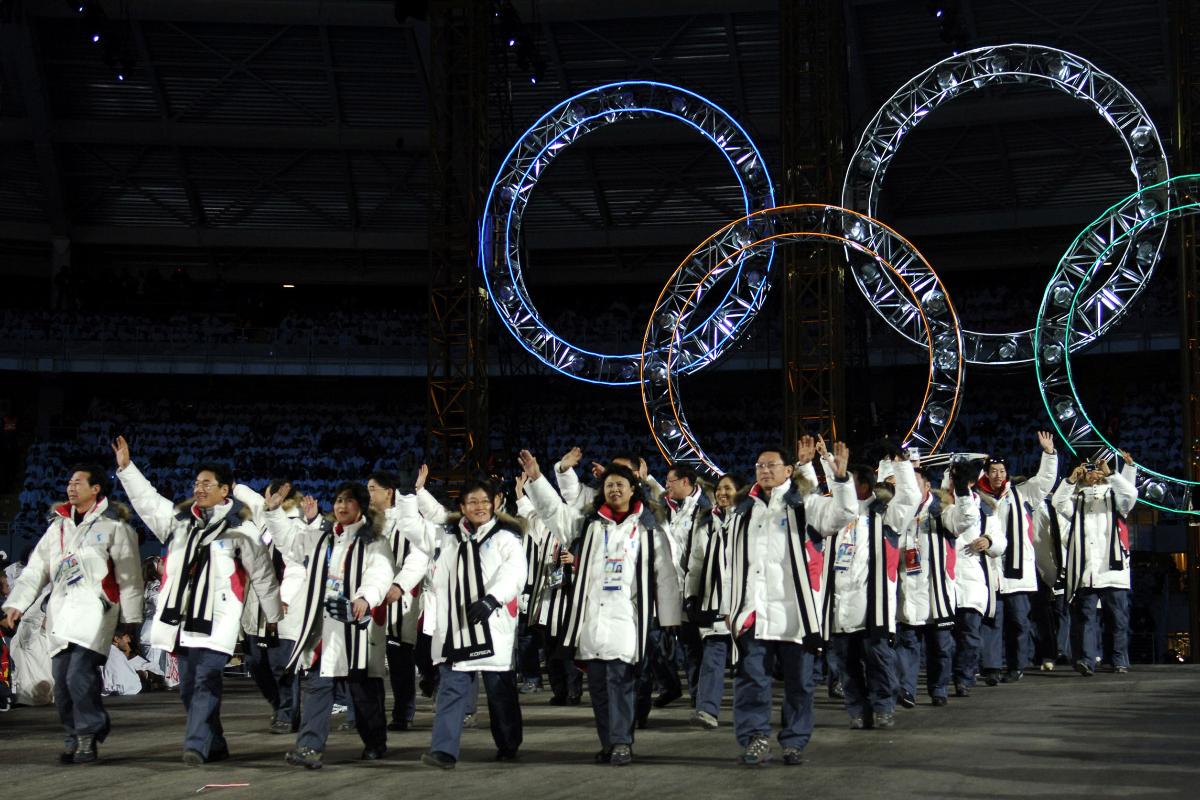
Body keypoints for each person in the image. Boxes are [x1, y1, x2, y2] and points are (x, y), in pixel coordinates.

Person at [112, 436, 282, 766]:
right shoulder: (179, 522)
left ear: (225, 491)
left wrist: (273, 613)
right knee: (189, 689)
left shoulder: (241, 530)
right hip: (182, 622)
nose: (199, 488)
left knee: (205, 682)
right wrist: (127, 468)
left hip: (218, 622)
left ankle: (196, 744)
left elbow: (261, 573)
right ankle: (215, 742)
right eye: (196, 482)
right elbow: (148, 502)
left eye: (207, 483)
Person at [520, 450, 681, 767]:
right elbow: (554, 512)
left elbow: (665, 576)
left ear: (633, 488)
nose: (615, 489)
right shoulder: (588, 525)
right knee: (598, 690)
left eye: (621, 484)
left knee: (620, 683)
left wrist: (669, 622)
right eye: (609, 485)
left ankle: (622, 742)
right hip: (591, 621)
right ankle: (610, 743)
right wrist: (537, 478)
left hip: (627, 619)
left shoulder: (648, 530)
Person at [722, 437, 856, 767]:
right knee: (750, 680)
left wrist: (840, 480)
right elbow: (730, 564)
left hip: (797, 615)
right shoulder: (743, 511)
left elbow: (842, 515)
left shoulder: (804, 504)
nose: (765, 471)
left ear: (787, 470)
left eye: (772, 465)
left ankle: (794, 740)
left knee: (799, 683)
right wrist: (731, 608)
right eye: (760, 466)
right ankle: (755, 737)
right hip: (754, 612)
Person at [1, 464, 142, 764]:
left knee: (79, 674)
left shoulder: (114, 528)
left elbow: (130, 577)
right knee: (61, 684)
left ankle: (88, 736)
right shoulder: (58, 527)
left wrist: (130, 622)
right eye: (69, 481)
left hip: (97, 614)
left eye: (78, 482)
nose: (70, 486)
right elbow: (36, 569)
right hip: (62, 615)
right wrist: (15, 604)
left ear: (96, 489)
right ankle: (76, 735)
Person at [392, 475, 526, 769]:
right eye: (472, 501)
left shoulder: (506, 538)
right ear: (462, 507)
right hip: (456, 628)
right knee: (452, 689)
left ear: (494, 504)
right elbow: (412, 527)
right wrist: (405, 494)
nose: (479, 506)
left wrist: (493, 599)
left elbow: (515, 573)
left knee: (499, 692)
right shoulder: (446, 537)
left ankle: (508, 743)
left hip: (493, 626)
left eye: (484, 501)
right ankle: (444, 751)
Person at [264, 481, 395, 768]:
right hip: (322, 627)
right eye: (338, 500)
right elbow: (290, 543)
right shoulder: (322, 538)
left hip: (356, 627)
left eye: (349, 501)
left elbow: (381, 572)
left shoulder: (374, 540)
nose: (341, 506)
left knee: (363, 692)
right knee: (316, 685)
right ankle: (309, 747)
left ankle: (375, 741)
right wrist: (273, 512)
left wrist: (365, 598)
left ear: (360, 507)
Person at [826, 452, 920, 730]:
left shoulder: (885, 514)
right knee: (847, 665)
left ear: (864, 486)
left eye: (848, 481)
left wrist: (902, 464)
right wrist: (817, 462)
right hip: (840, 605)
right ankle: (857, 710)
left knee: (878, 661)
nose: (839, 487)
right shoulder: (835, 516)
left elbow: (910, 498)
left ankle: (883, 707)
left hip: (872, 606)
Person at [976, 432, 1058, 684]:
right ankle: (991, 667)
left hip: (1018, 573)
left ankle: (1016, 665)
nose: (998, 475)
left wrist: (1049, 454)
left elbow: (1044, 481)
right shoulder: (977, 498)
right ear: (986, 474)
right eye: (993, 471)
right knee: (991, 621)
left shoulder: (1021, 494)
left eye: (1001, 470)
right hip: (989, 571)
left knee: (1018, 623)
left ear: (1006, 473)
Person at [895, 464, 980, 707]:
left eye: (915, 484)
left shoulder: (942, 510)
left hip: (937, 593)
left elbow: (966, 519)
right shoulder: (899, 512)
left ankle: (938, 688)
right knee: (908, 643)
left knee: (941, 646)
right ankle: (907, 690)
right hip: (907, 589)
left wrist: (962, 490)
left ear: (927, 486)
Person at [1052, 452, 1139, 676]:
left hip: (1112, 569)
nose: (1093, 474)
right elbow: (1057, 502)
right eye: (1088, 469)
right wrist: (1070, 480)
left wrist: (1112, 475)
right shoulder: (1076, 499)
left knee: (1117, 619)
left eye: (1096, 469)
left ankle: (1118, 659)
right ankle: (1086, 661)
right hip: (1086, 570)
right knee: (1084, 619)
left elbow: (1131, 494)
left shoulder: (1116, 498)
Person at [233, 479, 307, 734]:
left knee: (280, 664)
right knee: (255, 663)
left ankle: (288, 713)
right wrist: (231, 486)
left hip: (283, 607)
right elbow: (251, 497)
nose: (265, 499)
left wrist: (283, 598)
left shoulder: (297, 526)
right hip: (256, 607)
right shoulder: (264, 519)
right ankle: (279, 705)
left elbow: (298, 568)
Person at [370, 470, 430, 733]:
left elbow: (419, 557)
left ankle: (403, 714)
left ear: (389, 492)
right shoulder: (367, 522)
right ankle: (366, 713)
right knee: (369, 661)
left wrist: (400, 584)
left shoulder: (407, 521)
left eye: (373, 489)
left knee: (399, 660)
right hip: (371, 599)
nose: (369, 494)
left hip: (398, 600)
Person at [684, 473, 742, 729]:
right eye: (719, 489)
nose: (722, 493)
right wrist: (691, 595)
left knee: (748, 662)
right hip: (714, 601)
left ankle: (748, 712)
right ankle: (707, 709)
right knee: (713, 656)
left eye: (728, 488)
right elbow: (695, 562)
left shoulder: (750, 519)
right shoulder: (706, 521)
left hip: (744, 602)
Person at [951, 461, 1004, 698]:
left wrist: (989, 541)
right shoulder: (940, 506)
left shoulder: (985, 510)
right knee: (945, 640)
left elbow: (1001, 541)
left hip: (972, 582)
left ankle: (964, 677)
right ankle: (944, 679)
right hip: (945, 582)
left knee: (970, 635)